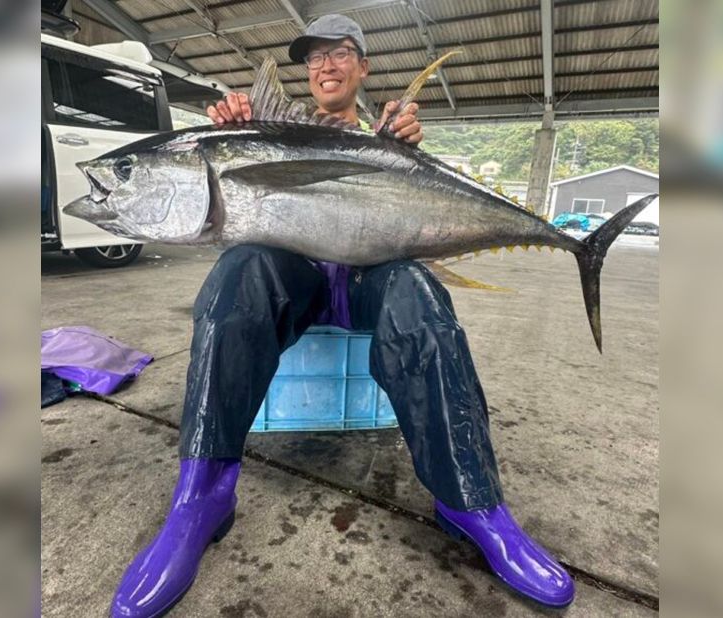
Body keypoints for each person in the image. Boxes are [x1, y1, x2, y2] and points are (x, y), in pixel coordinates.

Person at [110, 15, 574, 617]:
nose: (325, 66)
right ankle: (202, 494)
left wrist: (401, 144)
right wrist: (231, 129)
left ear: (363, 67)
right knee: (236, 278)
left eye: (339, 54)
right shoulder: (262, 131)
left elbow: (410, 207)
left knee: (418, 295)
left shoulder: (389, 135)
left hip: (366, 283)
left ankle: (471, 501)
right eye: (314, 59)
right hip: (295, 282)